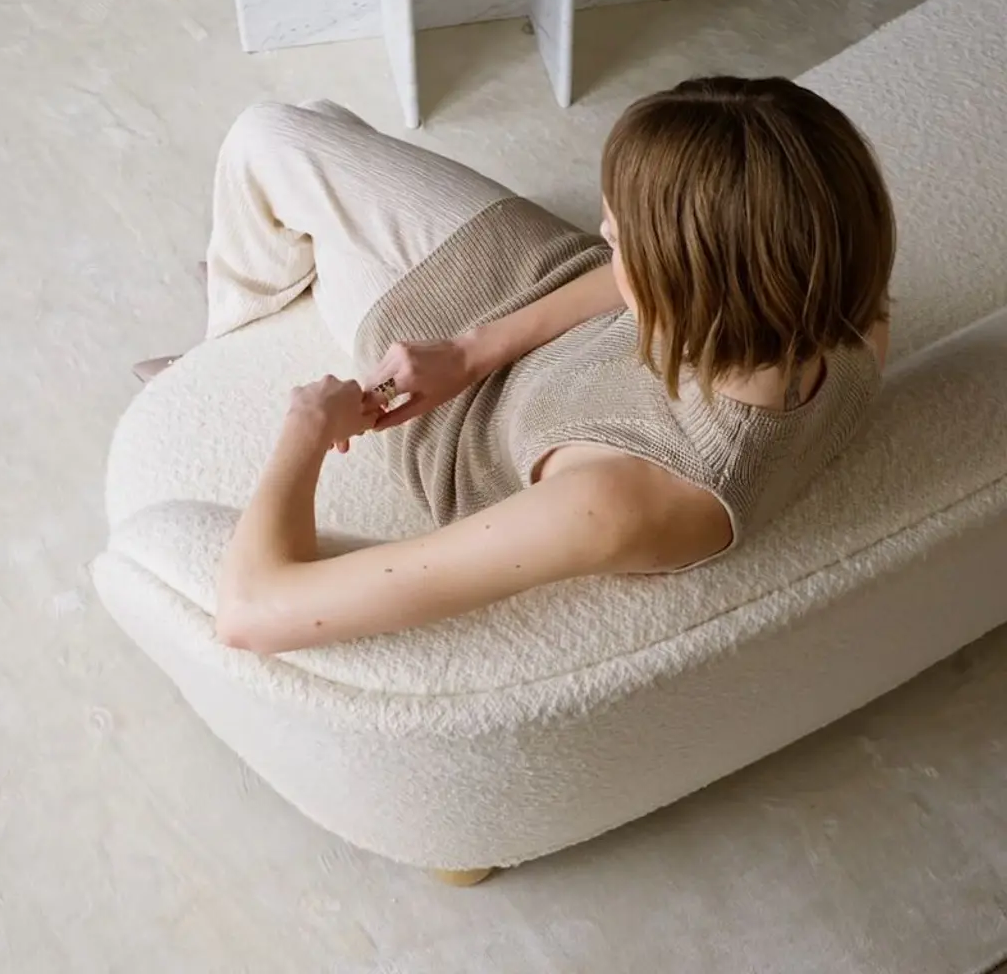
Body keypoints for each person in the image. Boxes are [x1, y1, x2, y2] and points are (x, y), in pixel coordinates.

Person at [148, 76, 894, 653]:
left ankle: (222, 340)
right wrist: (474, 348)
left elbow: (251, 613)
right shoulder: (841, 311)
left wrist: (307, 429)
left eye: (622, 241)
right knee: (311, 126)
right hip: (515, 291)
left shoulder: (624, 499)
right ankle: (259, 275)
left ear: (683, 284)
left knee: (268, 137)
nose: (607, 237)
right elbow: (653, 280)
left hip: (445, 408)